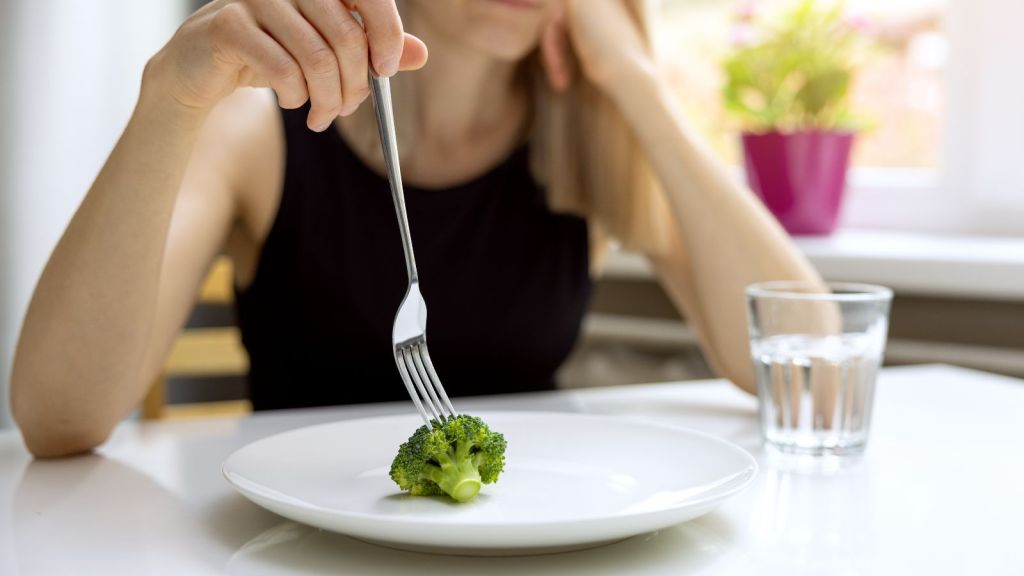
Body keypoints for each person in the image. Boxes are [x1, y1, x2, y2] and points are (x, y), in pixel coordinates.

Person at [11, 0, 819, 457]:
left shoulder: (584, 142)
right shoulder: (261, 132)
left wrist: (637, 82)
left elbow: (810, 365)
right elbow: (56, 418)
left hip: (536, 547)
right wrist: (171, 99)